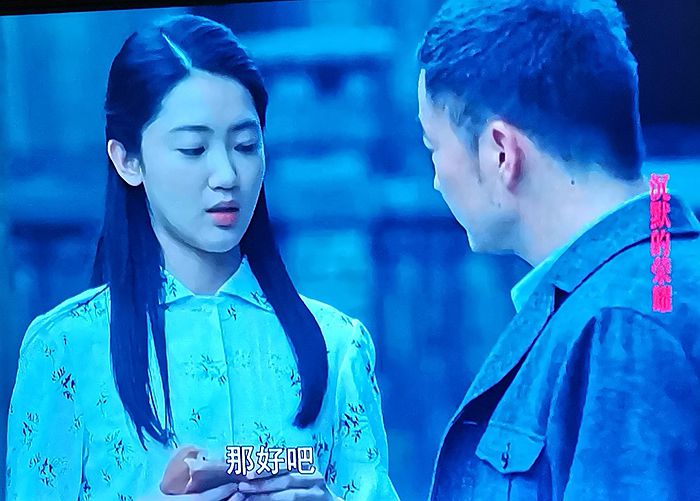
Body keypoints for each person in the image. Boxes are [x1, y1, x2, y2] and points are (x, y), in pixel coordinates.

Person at [6, 14, 399, 501]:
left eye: (245, 145)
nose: (226, 174)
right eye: (193, 149)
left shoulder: (337, 346)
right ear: (127, 159)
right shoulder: (66, 348)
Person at [416, 0, 700, 499]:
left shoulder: (624, 327)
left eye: (432, 147)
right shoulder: (640, 285)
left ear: (501, 152)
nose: (437, 180)